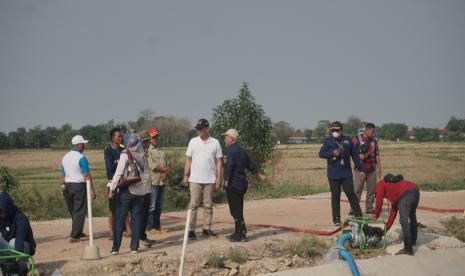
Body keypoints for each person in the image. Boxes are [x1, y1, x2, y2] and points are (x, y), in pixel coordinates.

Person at [223, 129, 267, 242]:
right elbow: (250, 164)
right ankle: (238, 232)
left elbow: (229, 166)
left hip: (234, 184)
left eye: (226, 137)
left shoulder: (230, 151)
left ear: (231, 138)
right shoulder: (241, 150)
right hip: (242, 184)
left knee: (235, 210)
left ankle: (241, 234)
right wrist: (259, 174)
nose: (224, 139)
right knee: (238, 209)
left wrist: (226, 180)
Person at [319, 121, 365, 226]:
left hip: (346, 173)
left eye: (337, 130)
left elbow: (355, 156)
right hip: (333, 174)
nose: (335, 132)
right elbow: (321, 154)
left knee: (351, 194)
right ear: (331, 130)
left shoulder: (347, 140)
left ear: (341, 130)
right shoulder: (327, 141)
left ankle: (358, 215)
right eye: (333, 130)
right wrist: (332, 153)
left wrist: (361, 169)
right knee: (335, 196)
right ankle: (336, 219)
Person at [183, 119, 223, 240]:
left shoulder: (215, 142)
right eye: (198, 128)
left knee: (208, 204)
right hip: (194, 178)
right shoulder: (193, 141)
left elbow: (219, 161)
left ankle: (206, 228)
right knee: (193, 204)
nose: (199, 131)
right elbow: (188, 159)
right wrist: (185, 174)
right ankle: (191, 229)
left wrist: (218, 177)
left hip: (210, 179)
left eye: (201, 128)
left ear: (207, 129)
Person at [108, 133, 146, 255]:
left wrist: (112, 189)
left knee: (119, 219)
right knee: (136, 220)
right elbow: (145, 175)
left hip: (127, 190)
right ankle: (134, 247)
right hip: (140, 192)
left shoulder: (125, 153)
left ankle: (115, 248)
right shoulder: (142, 154)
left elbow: (118, 172)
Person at [60, 135, 96, 243]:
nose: (84, 145)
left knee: (74, 211)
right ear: (77, 145)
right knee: (79, 211)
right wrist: (92, 190)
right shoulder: (81, 158)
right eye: (82, 143)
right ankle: (74, 236)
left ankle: (78, 231)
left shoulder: (65, 156)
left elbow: (63, 174)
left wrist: (62, 189)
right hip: (78, 186)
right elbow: (86, 175)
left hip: (67, 186)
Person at [374, 174, 420, 256]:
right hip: (415, 191)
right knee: (412, 216)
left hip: (406, 193)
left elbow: (379, 201)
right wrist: (385, 230)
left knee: (403, 220)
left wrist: (376, 216)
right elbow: (393, 212)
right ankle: (413, 241)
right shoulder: (393, 190)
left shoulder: (380, 184)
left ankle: (408, 249)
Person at [104, 127, 131, 240]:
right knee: (112, 208)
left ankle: (128, 229)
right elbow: (110, 167)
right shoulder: (108, 150)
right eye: (118, 136)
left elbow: (129, 163)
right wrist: (121, 165)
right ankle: (111, 231)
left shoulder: (123, 149)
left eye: (122, 136)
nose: (121, 138)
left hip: (124, 181)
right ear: (112, 138)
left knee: (125, 206)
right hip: (112, 182)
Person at [353, 123, 382, 215]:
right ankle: (354, 209)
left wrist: (379, 168)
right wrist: (358, 156)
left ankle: (369, 208)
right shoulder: (357, 140)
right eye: (372, 132)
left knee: (371, 190)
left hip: (371, 169)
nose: (373, 134)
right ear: (367, 130)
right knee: (357, 189)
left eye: (374, 132)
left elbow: (377, 154)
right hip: (360, 169)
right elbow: (351, 153)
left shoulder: (374, 141)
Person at [147, 127, 170, 235]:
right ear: (149, 138)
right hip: (153, 180)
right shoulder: (148, 150)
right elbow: (151, 165)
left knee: (159, 205)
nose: (155, 138)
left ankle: (158, 226)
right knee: (152, 205)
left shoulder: (160, 149)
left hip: (162, 180)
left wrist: (166, 172)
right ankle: (150, 228)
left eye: (156, 136)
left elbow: (166, 162)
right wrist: (164, 170)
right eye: (153, 137)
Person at [137, 130, 156, 248]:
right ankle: (140, 238)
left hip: (146, 187)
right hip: (142, 189)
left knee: (144, 214)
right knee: (141, 214)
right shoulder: (139, 154)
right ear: (146, 141)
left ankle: (142, 236)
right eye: (149, 140)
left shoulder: (143, 152)